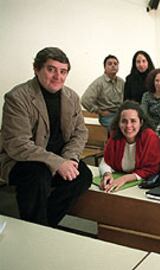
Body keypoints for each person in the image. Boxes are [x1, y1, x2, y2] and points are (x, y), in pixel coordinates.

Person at [0, 47, 92, 226]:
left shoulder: (71, 97)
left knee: (83, 176)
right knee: (38, 175)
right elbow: (17, 144)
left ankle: (42, 225)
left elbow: (80, 132)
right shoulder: (17, 97)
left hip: (60, 157)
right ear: (36, 69)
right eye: (51, 69)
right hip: (21, 160)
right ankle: (37, 225)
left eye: (63, 71)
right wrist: (58, 163)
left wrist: (69, 159)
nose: (58, 76)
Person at [99, 101, 160, 192]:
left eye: (133, 121)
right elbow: (106, 161)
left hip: (140, 188)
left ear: (141, 122)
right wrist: (107, 174)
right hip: (119, 186)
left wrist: (125, 179)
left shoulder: (150, 137)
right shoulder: (115, 136)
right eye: (124, 121)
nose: (128, 126)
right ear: (118, 123)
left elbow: (154, 168)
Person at [81, 55, 124, 128]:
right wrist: (99, 111)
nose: (113, 66)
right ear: (105, 67)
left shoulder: (121, 82)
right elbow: (85, 100)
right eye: (110, 64)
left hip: (120, 114)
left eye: (115, 64)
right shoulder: (99, 83)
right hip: (107, 116)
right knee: (118, 128)